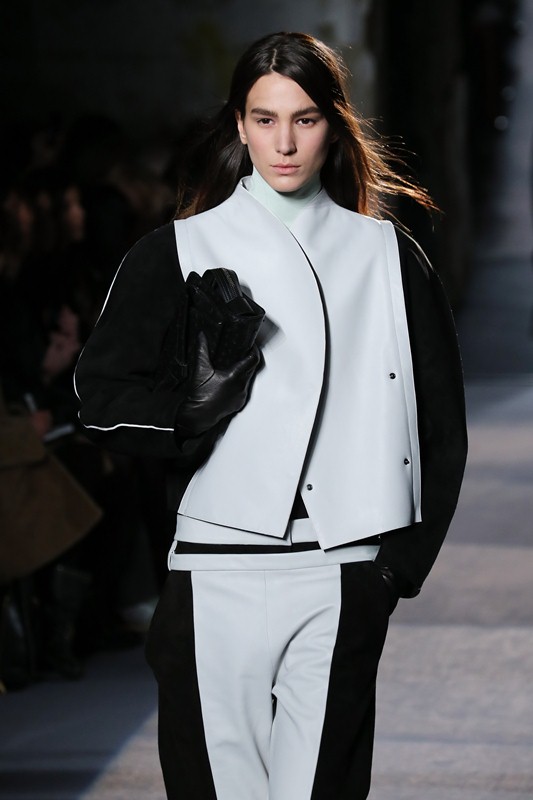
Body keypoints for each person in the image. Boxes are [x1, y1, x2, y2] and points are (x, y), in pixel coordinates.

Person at [74, 31, 467, 800]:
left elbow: (438, 426)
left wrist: (393, 569)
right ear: (239, 125)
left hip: (341, 567)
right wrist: (187, 413)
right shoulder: (177, 251)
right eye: (264, 119)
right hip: (213, 566)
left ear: (333, 125)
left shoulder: (388, 257)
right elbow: (101, 399)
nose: (283, 143)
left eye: (304, 119)